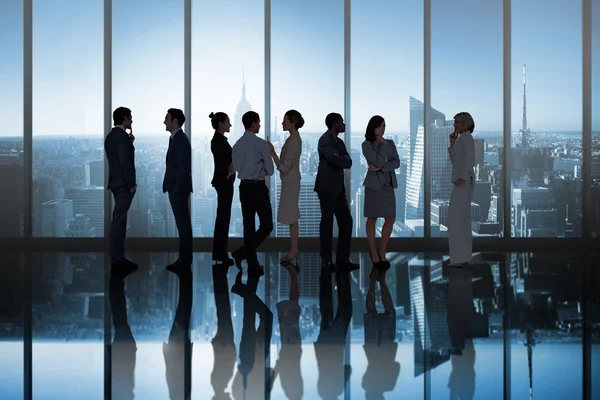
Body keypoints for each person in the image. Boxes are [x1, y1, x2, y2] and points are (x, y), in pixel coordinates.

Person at [231, 111, 274, 278]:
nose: (260, 125)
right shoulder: (261, 144)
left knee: (248, 227)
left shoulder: (237, 145)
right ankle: (242, 253)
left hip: (244, 188)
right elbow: (270, 170)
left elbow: (236, 168)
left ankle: (249, 261)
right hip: (258, 188)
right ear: (254, 123)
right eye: (259, 122)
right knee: (267, 225)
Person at [314, 112, 358, 272]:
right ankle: (326, 260)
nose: (344, 124)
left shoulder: (339, 141)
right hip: (326, 187)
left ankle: (342, 259)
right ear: (334, 123)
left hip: (338, 188)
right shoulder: (324, 140)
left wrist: (340, 158)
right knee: (327, 223)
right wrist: (340, 158)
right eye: (342, 122)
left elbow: (348, 162)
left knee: (346, 221)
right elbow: (337, 159)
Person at [361, 115, 400, 274]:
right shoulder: (367, 144)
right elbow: (376, 161)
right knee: (372, 219)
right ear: (373, 127)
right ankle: (373, 251)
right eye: (380, 126)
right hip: (374, 186)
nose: (383, 129)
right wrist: (382, 150)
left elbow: (396, 162)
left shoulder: (390, 143)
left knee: (390, 218)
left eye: (384, 126)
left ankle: (382, 250)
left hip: (388, 185)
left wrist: (382, 167)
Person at [267, 109, 304, 264]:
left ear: (292, 123)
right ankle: (293, 248)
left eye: (285, 120)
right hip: (289, 182)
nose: (282, 123)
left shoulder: (294, 141)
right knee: (291, 217)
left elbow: (284, 167)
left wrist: (272, 152)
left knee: (292, 217)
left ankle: (294, 249)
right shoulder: (292, 138)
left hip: (290, 183)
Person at [105, 106, 137, 270]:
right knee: (119, 220)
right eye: (130, 118)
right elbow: (125, 162)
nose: (132, 120)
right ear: (125, 119)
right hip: (123, 185)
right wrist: (131, 185)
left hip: (116, 183)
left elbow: (117, 159)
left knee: (119, 218)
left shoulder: (111, 136)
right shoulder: (121, 137)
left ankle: (117, 255)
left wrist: (129, 143)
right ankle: (117, 257)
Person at [162, 108, 193, 272]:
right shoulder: (176, 138)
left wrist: (176, 188)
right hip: (177, 188)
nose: (164, 121)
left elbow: (182, 168)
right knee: (183, 225)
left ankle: (185, 260)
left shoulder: (180, 139)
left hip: (178, 190)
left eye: (167, 118)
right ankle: (184, 259)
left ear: (175, 121)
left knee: (183, 225)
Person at [447, 112, 476, 266]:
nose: (454, 125)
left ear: (465, 123)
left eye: (457, 122)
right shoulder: (461, 139)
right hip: (462, 181)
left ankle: (459, 259)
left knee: (457, 219)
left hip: (463, 183)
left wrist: (463, 177)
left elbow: (470, 158)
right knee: (461, 219)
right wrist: (452, 144)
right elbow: (455, 161)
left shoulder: (466, 138)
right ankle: (462, 258)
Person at [209, 111, 236, 266]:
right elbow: (221, 165)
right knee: (223, 219)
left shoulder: (218, 140)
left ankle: (220, 253)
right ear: (221, 123)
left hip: (224, 183)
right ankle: (221, 253)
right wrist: (231, 170)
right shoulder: (218, 141)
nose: (230, 124)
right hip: (224, 183)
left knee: (223, 218)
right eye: (228, 122)